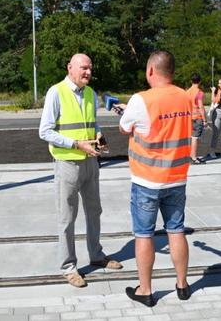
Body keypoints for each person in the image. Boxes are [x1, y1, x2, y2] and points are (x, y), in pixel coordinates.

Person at [38, 53, 122, 288]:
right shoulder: (56, 92)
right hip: (67, 164)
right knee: (67, 218)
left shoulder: (90, 93)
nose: (88, 72)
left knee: (94, 211)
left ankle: (96, 255)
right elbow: (44, 131)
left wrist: (98, 136)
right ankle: (68, 267)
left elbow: (92, 123)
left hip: (90, 162)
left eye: (90, 68)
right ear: (70, 68)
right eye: (83, 68)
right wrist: (76, 144)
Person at [118, 50, 192, 307]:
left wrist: (127, 112)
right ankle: (182, 284)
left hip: (147, 181)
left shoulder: (141, 99)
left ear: (151, 70)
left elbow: (124, 127)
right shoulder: (186, 97)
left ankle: (146, 290)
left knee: (144, 235)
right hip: (177, 178)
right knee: (176, 230)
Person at [186, 73, 207, 164]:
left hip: (189, 117)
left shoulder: (187, 92)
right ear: (200, 81)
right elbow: (201, 107)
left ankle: (190, 156)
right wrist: (204, 120)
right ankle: (193, 158)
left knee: (191, 137)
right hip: (197, 117)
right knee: (195, 137)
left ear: (191, 81)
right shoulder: (199, 92)